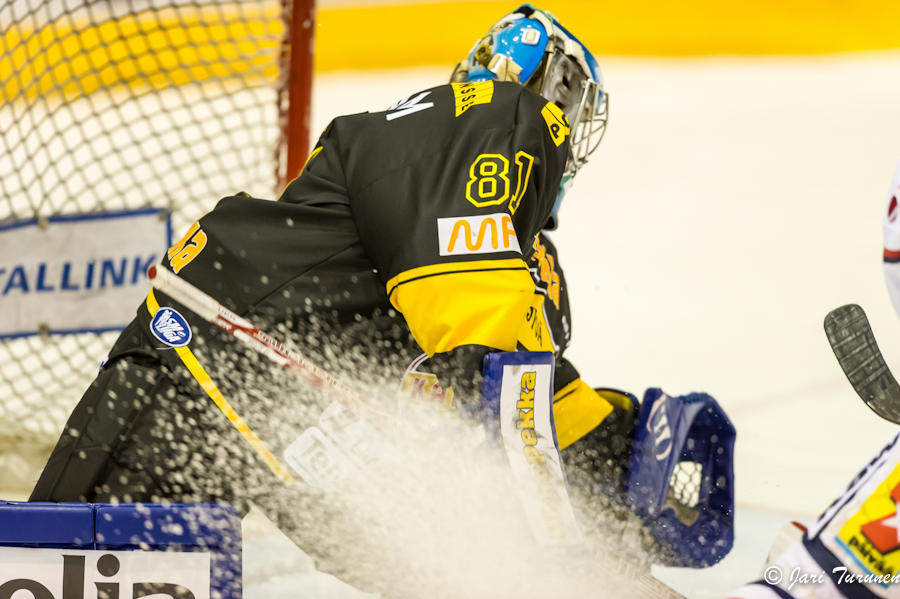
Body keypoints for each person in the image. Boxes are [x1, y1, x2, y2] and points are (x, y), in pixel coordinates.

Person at [30, 3, 719, 590]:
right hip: (216, 354)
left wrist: (620, 448)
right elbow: (489, 360)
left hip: (284, 389)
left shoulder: (508, 231)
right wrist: (569, 559)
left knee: (456, 566)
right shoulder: (490, 127)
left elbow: (528, 387)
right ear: (551, 99)